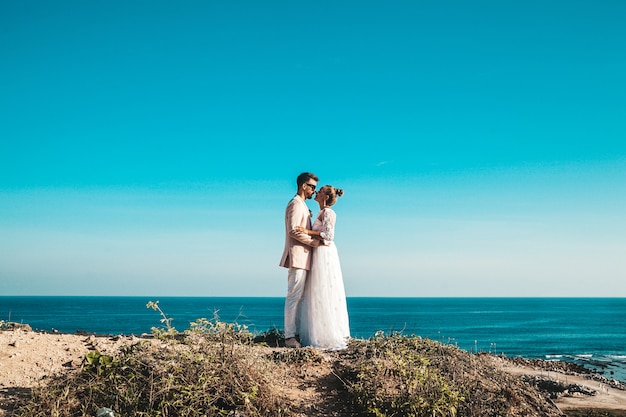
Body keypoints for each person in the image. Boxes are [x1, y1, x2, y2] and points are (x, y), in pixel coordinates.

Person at [295, 185, 350, 350]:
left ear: (325, 197)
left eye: (319, 191)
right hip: (318, 252)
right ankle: (317, 332)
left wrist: (306, 231)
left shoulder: (328, 213)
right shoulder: (320, 213)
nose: (316, 192)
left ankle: (327, 334)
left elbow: (329, 235)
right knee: (316, 291)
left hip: (325, 253)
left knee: (324, 289)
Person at [279, 172, 320, 348]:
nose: (314, 190)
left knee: (301, 297)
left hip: (304, 257)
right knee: (294, 296)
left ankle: (297, 333)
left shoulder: (302, 205)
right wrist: (315, 242)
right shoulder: (295, 204)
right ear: (304, 186)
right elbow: (294, 231)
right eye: (312, 187)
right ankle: (289, 336)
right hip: (297, 256)